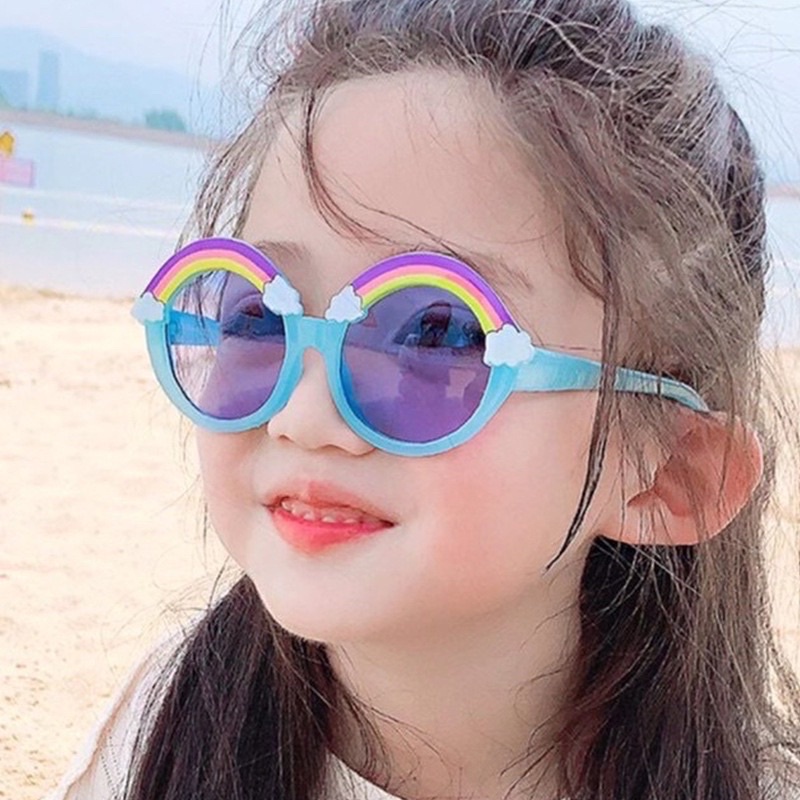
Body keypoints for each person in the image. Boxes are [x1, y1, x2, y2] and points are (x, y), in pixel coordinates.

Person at [49, 0, 800, 798]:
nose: (303, 418)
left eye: (438, 335)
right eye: (256, 315)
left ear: (670, 472)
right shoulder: (165, 728)